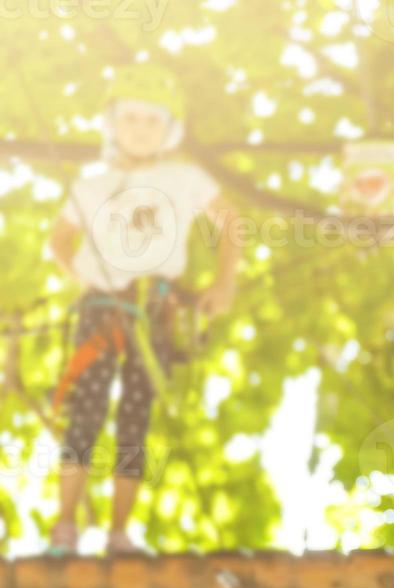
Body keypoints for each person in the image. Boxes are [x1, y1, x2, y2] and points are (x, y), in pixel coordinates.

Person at [45, 63, 240, 556]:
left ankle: (118, 533)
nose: (140, 128)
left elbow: (230, 220)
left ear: (169, 129)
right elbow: (59, 240)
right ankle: (65, 527)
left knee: (136, 413)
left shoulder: (185, 177)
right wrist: (85, 279)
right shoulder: (90, 185)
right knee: (84, 409)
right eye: (130, 118)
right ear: (111, 123)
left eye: (152, 120)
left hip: (155, 306)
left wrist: (224, 282)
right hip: (101, 308)